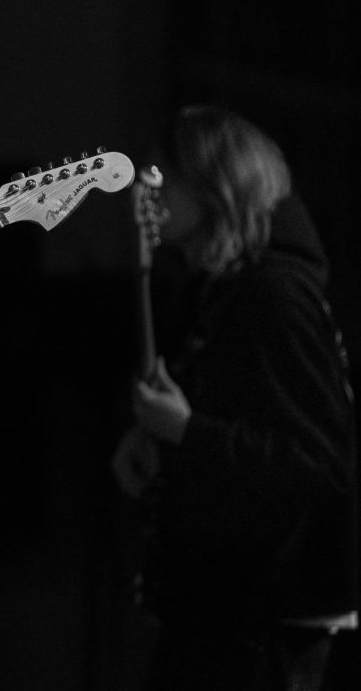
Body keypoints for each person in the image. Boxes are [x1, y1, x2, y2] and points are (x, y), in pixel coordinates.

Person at [111, 104, 359, 690]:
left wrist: (184, 433)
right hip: (229, 616)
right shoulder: (219, 292)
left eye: (168, 170)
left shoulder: (272, 295)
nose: (151, 182)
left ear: (215, 185)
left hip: (265, 629)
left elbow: (319, 465)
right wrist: (161, 445)